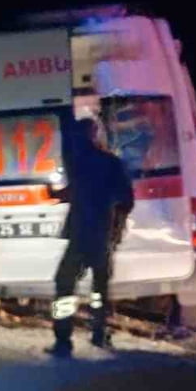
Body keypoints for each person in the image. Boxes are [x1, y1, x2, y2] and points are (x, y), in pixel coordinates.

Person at [46, 116, 134, 357]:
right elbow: (126, 199)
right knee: (99, 288)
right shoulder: (109, 163)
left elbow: (76, 193)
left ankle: (64, 340)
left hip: (83, 234)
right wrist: (116, 223)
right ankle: (99, 334)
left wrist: (55, 194)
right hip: (100, 235)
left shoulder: (79, 163)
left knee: (64, 283)